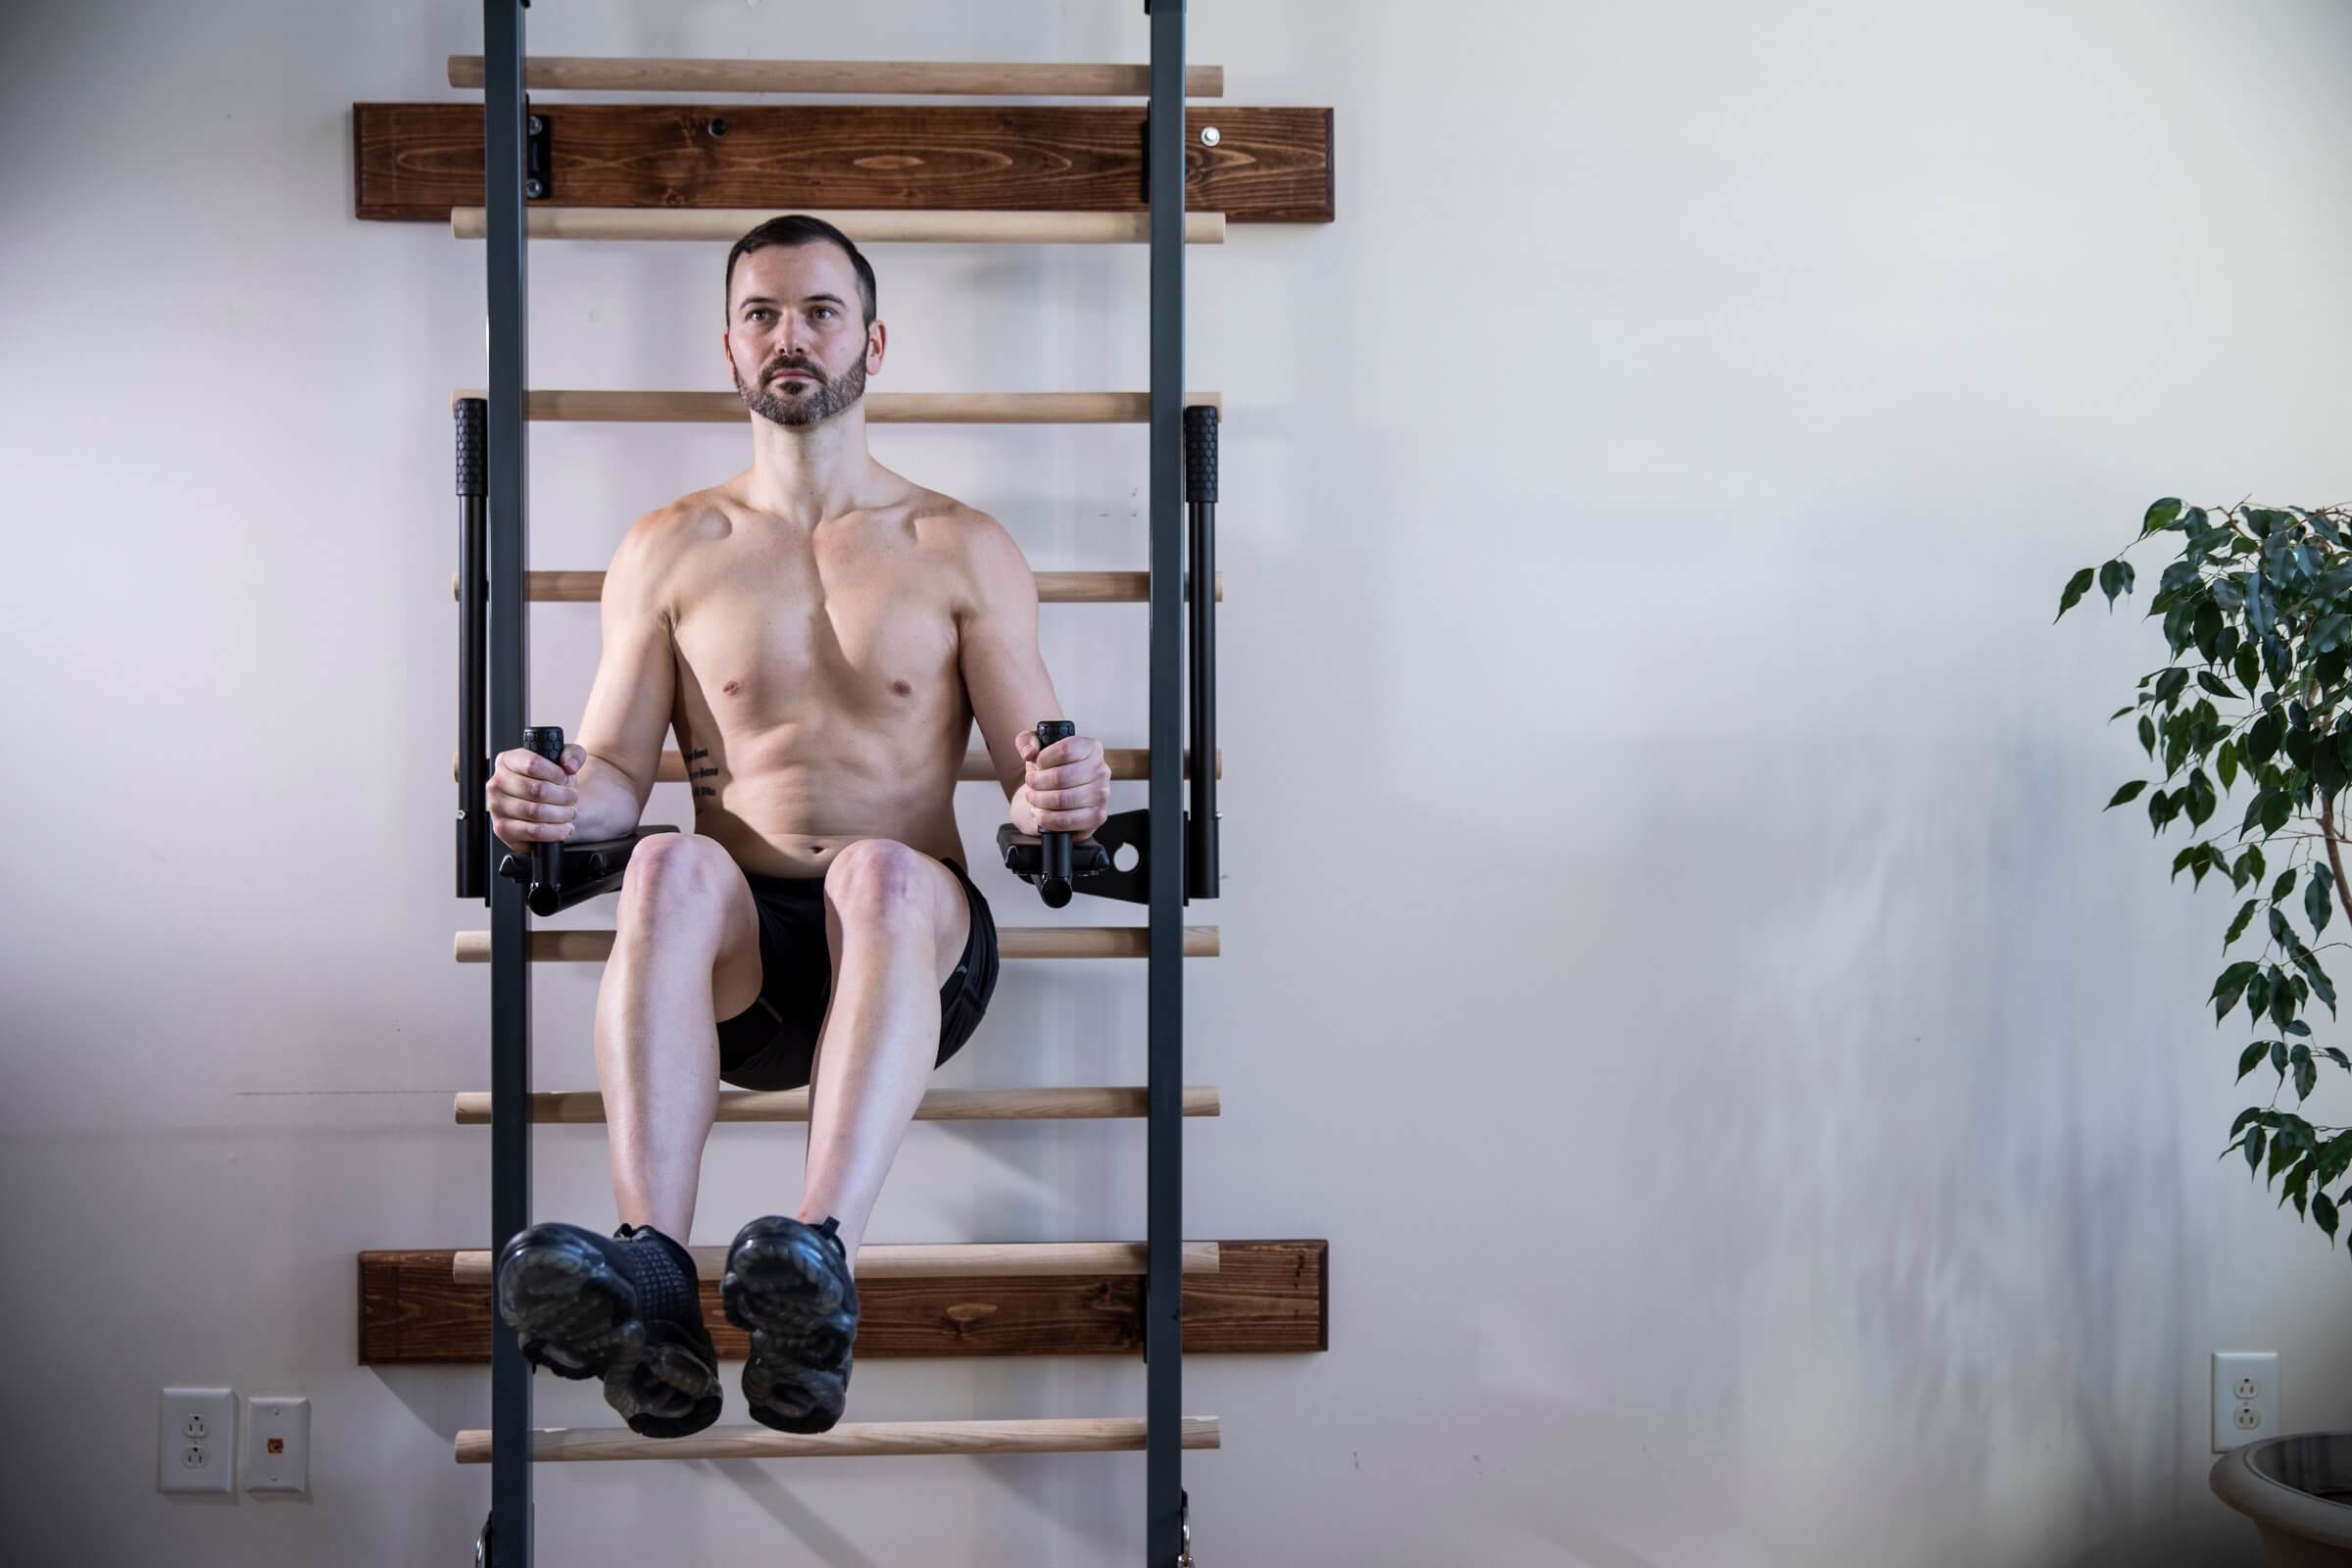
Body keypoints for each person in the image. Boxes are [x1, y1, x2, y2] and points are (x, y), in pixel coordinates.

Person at [484, 214, 1112, 1439]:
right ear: (728, 345)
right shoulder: (672, 548)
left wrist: (1061, 796)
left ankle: (819, 1266)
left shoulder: (959, 547)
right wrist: (561, 799)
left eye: (819, 311)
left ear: (871, 340)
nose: (790, 336)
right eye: (763, 313)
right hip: (751, 974)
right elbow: (614, 767)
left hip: (912, 939)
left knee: (878, 873)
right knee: (666, 855)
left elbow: (1040, 769)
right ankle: (653, 1276)